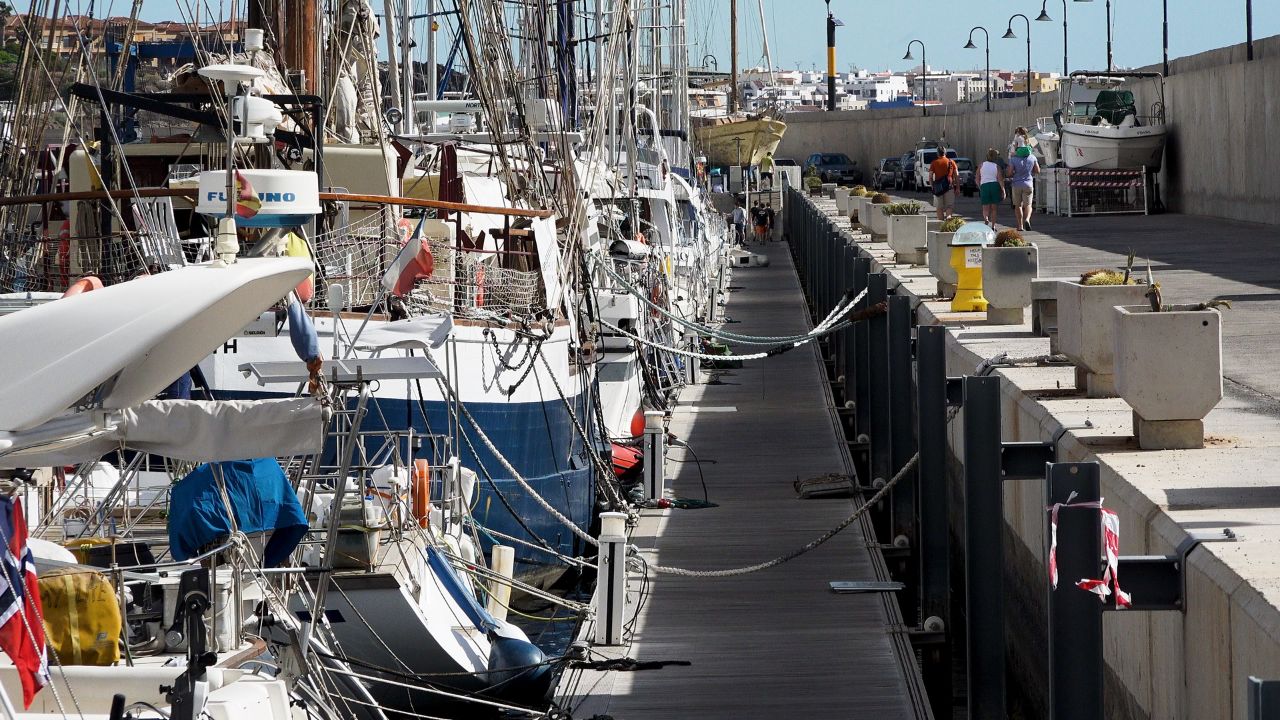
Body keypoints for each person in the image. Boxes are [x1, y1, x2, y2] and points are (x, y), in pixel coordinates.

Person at [1005, 144, 1041, 231]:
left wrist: (1013, 173)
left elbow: (1009, 173)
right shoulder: (1032, 157)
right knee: (1028, 205)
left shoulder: (1013, 159)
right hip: (1028, 184)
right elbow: (1037, 171)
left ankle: (1020, 226)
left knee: (1018, 205)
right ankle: (1027, 219)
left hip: (1016, 184)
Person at [928, 145, 958, 221]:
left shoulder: (934, 163)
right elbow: (956, 176)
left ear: (937, 154)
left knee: (939, 207)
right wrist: (957, 187)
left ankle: (941, 223)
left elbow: (930, 176)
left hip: (938, 189)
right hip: (949, 187)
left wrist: (932, 186)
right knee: (949, 206)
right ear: (945, 153)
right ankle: (948, 217)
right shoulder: (952, 162)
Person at [979, 148, 1005, 229]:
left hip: (984, 185)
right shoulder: (997, 166)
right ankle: (993, 226)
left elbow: (977, 178)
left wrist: (980, 186)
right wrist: (1003, 190)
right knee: (994, 208)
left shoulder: (981, 165)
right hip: (994, 185)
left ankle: (986, 218)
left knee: (985, 207)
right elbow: (1000, 179)